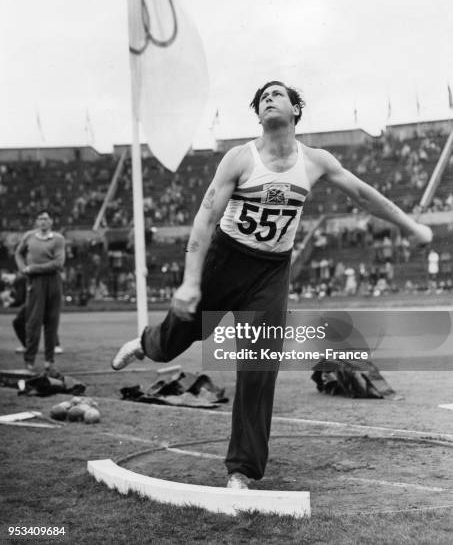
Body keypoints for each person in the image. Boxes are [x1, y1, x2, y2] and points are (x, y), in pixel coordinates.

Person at [111, 80, 432, 489]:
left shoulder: (315, 161)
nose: (269, 99)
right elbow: (205, 218)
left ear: (295, 111)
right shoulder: (240, 158)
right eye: (263, 98)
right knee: (179, 338)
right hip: (225, 261)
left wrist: (410, 225)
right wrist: (191, 281)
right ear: (259, 115)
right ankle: (146, 343)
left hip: (271, 272)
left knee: (259, 368)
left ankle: (242, 470)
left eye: (277, 94)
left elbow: (364, 196)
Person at [15, 209, 65, 374]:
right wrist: (23, 269)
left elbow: (58, 263)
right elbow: (18, 253)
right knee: (33, 322)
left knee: (52, 322)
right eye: (40, 218)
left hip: (53, 281)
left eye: (46, 218)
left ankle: (49, 361)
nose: (43, 221)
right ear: (36, 222)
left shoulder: (57, 239)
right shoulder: (29, 236)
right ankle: (29, 361)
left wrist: (32, 268)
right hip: (35, 283)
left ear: (51, 221)